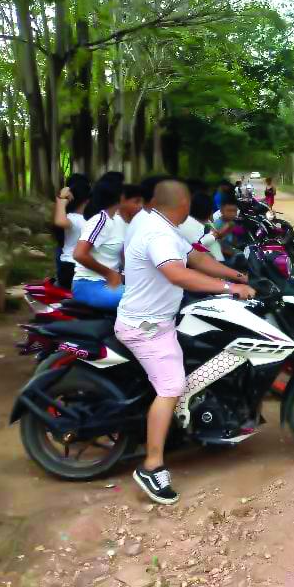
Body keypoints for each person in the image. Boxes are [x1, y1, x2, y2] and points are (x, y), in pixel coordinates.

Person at [116, 179, 254, 505]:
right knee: (171, 385)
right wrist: (227, 289)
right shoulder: (158, 233)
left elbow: (195, 258)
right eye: (189, 202)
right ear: (182, 205)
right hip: (147, 328)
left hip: (158, 320)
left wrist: (235, 275)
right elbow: (177, 273)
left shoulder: (155, 223)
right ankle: (151, 466)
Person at [71, 180, 127, 310]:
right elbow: (79, 254)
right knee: (141, 302)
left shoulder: (119, 221)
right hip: (88, 284)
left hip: (109, 283)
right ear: (119, 198)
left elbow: (122, 252)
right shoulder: (100, 220)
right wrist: (110, 274)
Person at [52, 183, 90, 289]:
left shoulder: (83, 220)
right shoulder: (73, 218)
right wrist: (60, 200)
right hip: (73, 269)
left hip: (69, 268)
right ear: (87, 200)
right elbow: (60, 221)